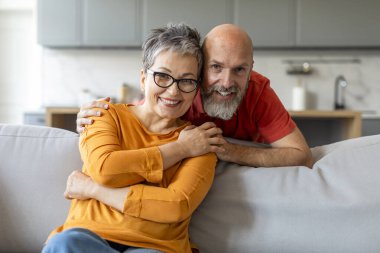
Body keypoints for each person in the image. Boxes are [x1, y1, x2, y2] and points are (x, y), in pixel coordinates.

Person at [42, 23, 225, 253]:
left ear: (196, 89)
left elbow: (175, 206)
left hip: (156, 248)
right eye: (162, 76)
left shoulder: (200, 142)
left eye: (186, 81)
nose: (173, 91)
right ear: (143, 79)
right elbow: (106, 169)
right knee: (64, 244)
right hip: (87, 239)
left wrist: (93, 189)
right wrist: (179, 149)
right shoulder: (104, 115)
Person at [77, 24, 313, 168]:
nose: (227, 82)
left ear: (250, 68)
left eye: (239, 69)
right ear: (199, 68)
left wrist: (229, 151)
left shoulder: (258, 90)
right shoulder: (179, 93)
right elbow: (136, 129)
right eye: (216, 67)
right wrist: (96, 121)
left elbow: (301, 155)